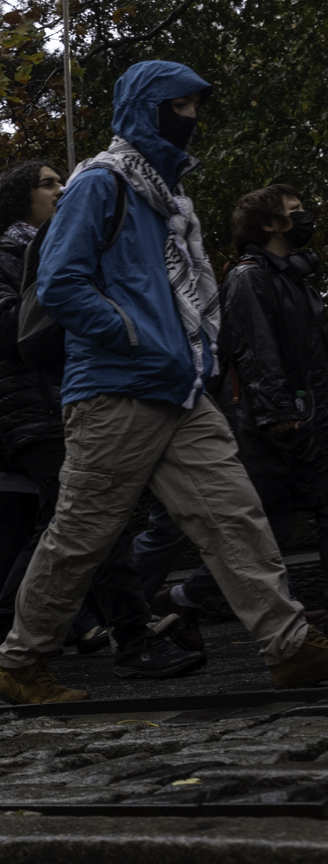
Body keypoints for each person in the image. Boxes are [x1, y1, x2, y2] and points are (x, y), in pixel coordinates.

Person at [0, 60, 328, 701]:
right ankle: (20, 662)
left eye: (196, 108)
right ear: (146, 109)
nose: (192, 119)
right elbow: (62, 282)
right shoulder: (100, 183)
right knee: (82, 533)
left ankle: (290, 648)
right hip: (115, 388)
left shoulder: (170, 198)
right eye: (179, 107)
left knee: (235, 515)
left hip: (179, 387)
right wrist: (133, 333)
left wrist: (180, 353)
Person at [0, 159, 199, 681]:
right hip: (37, 414)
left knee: (64, 527)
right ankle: (134, 641)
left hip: (76, 402)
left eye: (60, 182)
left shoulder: (79, 248)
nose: (61, 189)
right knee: (99, 522)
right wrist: (58, 275)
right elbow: (9, 333)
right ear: (18, 200)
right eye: (47, 184)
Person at [140, 184, 328, 644]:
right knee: (269, 531)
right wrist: (279, 413)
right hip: (278, 425)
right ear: (270, 224)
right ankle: (181, 598)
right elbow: (254, 349)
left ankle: (183, 599)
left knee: (290, 525)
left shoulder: (290, 277)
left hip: (309, 417)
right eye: (295, 211)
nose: (305, 218)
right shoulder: (249, 277)